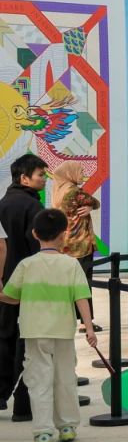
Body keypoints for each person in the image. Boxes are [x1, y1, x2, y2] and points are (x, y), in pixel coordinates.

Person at [0, 209, 95, 442]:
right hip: (63, 331)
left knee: (38, 380)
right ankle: (67, 426)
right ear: (64, 235)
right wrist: (89, 328)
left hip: (34, 332)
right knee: (65, 378)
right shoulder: (71, 264)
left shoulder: (26, 265)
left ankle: (43, 432)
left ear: (34, 234)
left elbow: (11, 297)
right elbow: (81, 298)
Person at [0, 153, 48, 421]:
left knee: (5, 336)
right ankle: (23, 403)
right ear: (24, 178)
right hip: (29, 281)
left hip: (6, 282)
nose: (44, 179)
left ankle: (1, 392)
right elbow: (38, 248)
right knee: (29, 341)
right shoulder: (33, 207)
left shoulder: (3, 203)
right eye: (40, 175)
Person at [49, 162, 100, 320]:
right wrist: (90, 207)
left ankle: (66, 317)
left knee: (68, 283)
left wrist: (89, 207)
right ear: (69, 173)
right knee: (84, 284)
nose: (83, 174)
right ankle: (86, 321)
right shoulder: (74, 192)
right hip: (80, 244)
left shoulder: (57, 191)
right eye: (80, 171)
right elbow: (95, 202)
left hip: (65, 243)